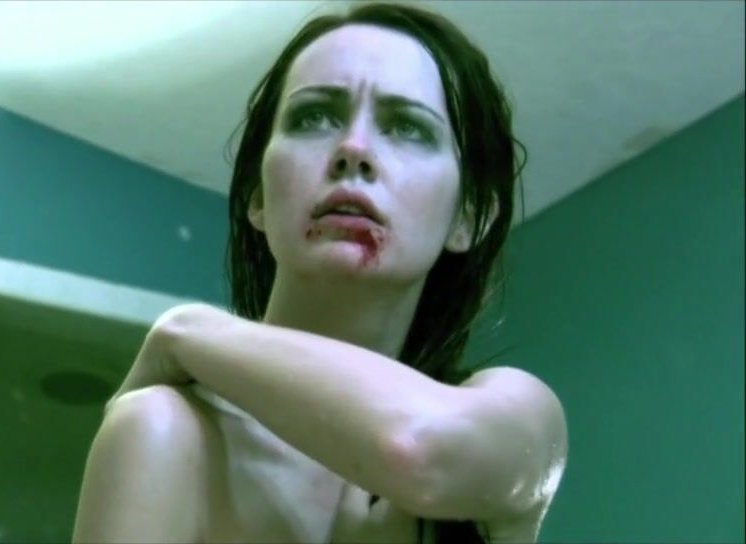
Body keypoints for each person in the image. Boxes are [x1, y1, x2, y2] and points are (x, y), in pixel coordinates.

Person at [73, 3, 568, 543]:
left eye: (407, 128)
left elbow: (418, 450)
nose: (353, 150)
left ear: (468, 216)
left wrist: (187, 331)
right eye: (313, 117)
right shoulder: (163, 432)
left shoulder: (516, 415)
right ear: (257, 197)